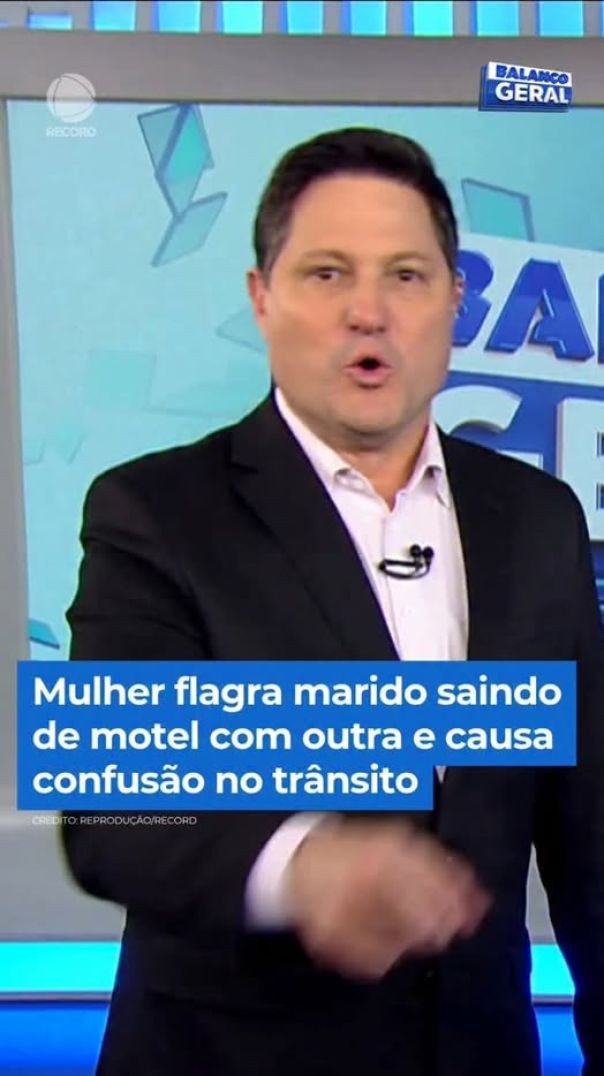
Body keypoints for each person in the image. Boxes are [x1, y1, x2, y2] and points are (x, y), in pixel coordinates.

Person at [62, 127, 604, 1076]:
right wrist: (300, 865)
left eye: (406, 276)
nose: (369, 311)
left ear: (456, 301)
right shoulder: (153, 513)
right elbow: (113, 810)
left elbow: (589, 833)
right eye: (326, 274)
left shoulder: (538, 518)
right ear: (261, 297)